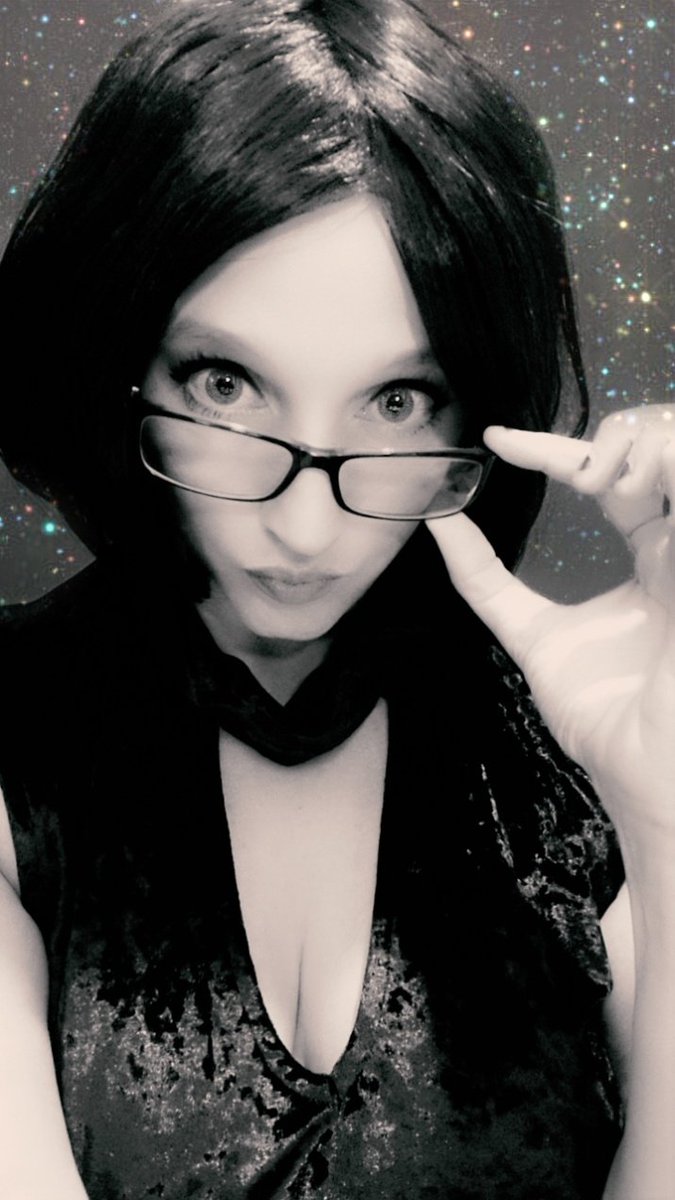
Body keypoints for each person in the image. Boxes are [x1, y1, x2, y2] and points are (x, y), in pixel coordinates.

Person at [0, 1, 672, 1197]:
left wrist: (665, 820)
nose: (307, 530)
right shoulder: (15, 738)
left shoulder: (569, 761)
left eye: (399, 402)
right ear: (123, 360)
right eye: (225, 383)